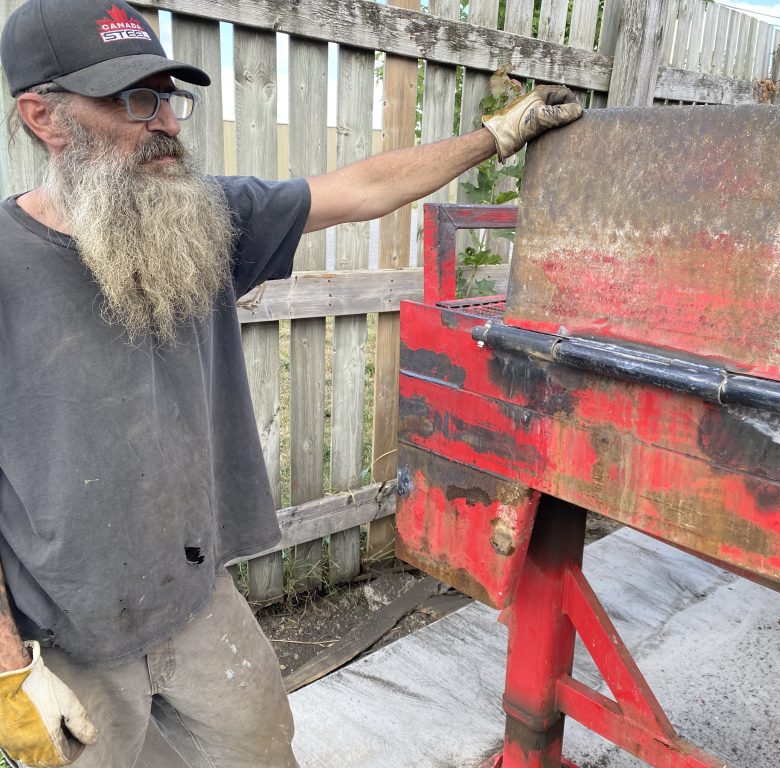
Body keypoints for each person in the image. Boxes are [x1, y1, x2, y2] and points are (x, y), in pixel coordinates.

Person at [0, 1, 582, 766]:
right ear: (44, 116)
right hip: (68, 638)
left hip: (197, 601)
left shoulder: (199, 219)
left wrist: (496, 136)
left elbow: (359, 190)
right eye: (133, 99)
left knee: (265, 749)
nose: (166, 123)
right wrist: (7, 668)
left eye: (168, 97)